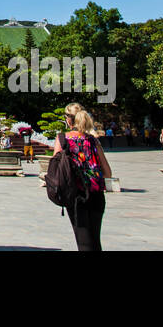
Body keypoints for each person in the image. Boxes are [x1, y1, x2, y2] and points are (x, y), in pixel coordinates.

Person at [53, 103, 113, 250]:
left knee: (84, 243)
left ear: (68, 119)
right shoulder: (93, 140)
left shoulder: (62, 139)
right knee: (95, 241)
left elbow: (55, 170)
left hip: (75, 195)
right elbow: (107, 172)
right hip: (96, 195)